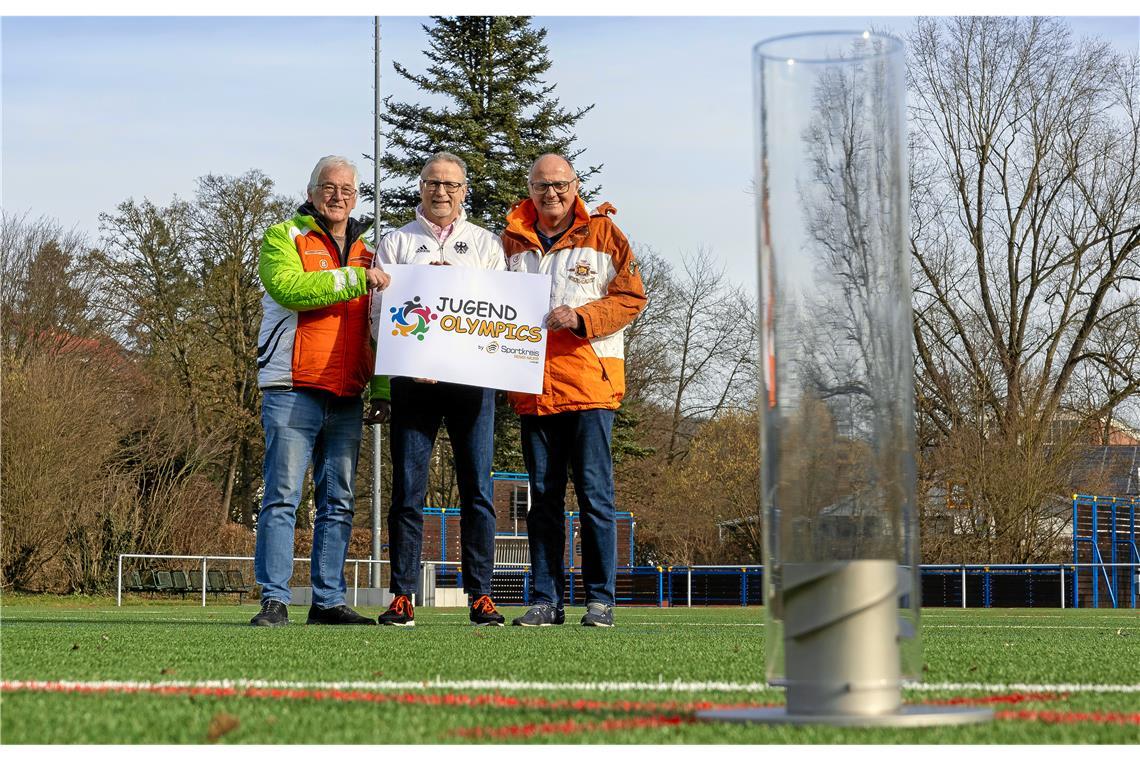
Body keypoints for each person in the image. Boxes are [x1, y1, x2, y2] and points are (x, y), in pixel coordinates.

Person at [501, 154, 647, 627]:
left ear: (575, 184)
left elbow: (631, 297)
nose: (552, 194)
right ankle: (546, 600)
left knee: (595, 498)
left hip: (590, 387)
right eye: (542, 185)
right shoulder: (509, 240)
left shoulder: (606, 234)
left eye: (560, 184)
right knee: (542, 501)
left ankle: (600, 600)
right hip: (534, 388)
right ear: (529, 187)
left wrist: (582, 318)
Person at [250, 155, 391, 627]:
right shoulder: (282, 236)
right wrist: (355, 277)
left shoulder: (371, 250)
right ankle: (274, 598)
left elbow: (383, 324)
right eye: (329, 187)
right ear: (311, 193)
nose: (338, 196)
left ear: (357, 197)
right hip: (292, 386)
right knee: (283, 495)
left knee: (339, 500)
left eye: (347, 189)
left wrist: (384, 386)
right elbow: (291, 289)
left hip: (348, 392)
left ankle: (328, 600)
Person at [372, 152, 507, 627]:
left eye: (451, 184)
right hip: (415, 383)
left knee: (479, 492)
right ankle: (403, 595)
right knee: (408, 492)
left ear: (464, 190)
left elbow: (499, 315)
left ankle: (481, 596)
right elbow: (378, 314)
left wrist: (473, 360)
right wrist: (412, 359)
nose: (442, 191)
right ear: (421, 187)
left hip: (472, 385)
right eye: (433, 182)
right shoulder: (396, 243)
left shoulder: (487, 245)